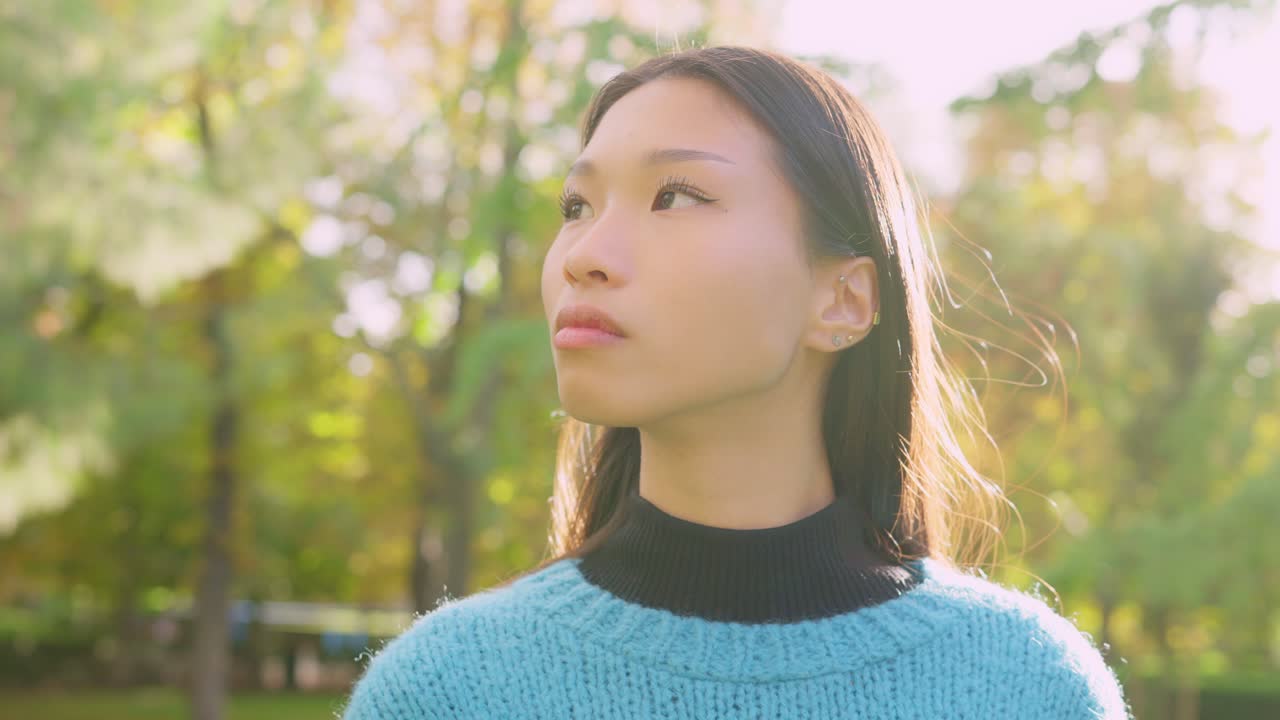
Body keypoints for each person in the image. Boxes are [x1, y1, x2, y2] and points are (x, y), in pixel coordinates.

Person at [340, 45, 1131, 719]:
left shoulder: (1027, 689)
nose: (583, 255)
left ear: (843, 300)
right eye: (577, 205)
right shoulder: (444, 691)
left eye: (675, 196)